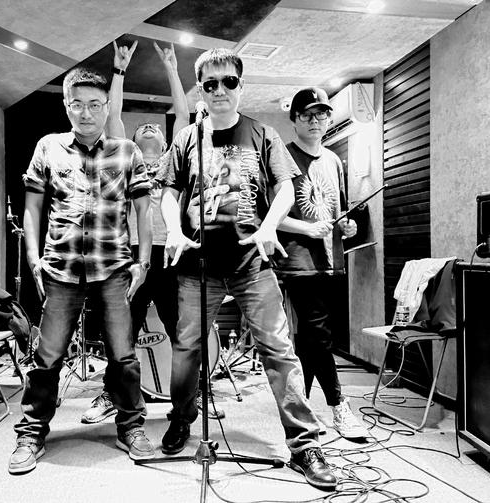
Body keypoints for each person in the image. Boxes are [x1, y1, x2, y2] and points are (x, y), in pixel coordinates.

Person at [155, 48, 337, 490]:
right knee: (187, 350)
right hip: (198, 267)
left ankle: (305, 443)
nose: (219, 90)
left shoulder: (263, 133)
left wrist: (270, 225)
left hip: (251, 264)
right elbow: (169, 190)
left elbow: (285, 189)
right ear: (201, 89)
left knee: (278, 350)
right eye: (210, 83)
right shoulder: (188, 138)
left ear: (240, 85)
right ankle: (182, 417)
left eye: (228, 81)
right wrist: (173, 229)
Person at [8, 66, 155, 475]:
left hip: (113, 267)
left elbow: (143, 210)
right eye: (77, 104)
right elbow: (32, 206)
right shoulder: (48, 147)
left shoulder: (127, 150)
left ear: (106, 106)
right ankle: (31, 433)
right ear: (66, 105)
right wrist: (33, 258)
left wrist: (143, 261)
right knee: (46, 356)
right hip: (61, 267)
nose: (86, 113)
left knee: (123, 355)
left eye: (94, 104)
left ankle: (131, 427)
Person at [81, 40, 225, 424]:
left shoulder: (172, 162)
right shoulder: (125, 159)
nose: (148, 128)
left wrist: (172, 69)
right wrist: (119, 70)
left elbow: (183, 114)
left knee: (182, 332)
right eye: (141, 127)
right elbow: (113, 117)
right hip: (132, 254)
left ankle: (194, 395)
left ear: (164, 142)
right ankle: (112, 393)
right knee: (122, 331)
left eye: (155, 128)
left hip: (173, 254)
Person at [275, 87, 367, 440]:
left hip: (332, 259)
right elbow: (271, 216)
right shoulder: (282, 157)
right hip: (300, 260)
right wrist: (308, 228)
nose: (315, 121)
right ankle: (339, 405)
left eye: (322, 114)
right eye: (307, 115)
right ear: (295, 119)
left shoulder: (333, 161)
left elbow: (338, 210)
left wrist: (348, 226)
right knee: (319, 334)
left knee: (311, 340)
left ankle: (301, 409)